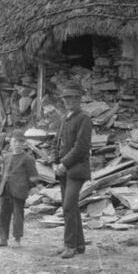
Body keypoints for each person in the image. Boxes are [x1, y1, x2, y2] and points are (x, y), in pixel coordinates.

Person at [52, 87, 92, 259]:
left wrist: (64, 164)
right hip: (62, 170)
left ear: (79, 100)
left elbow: (81, 148)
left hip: (76, 170)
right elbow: (56, 141)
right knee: (71, 208)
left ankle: (70, 245)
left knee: (68, 206)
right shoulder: (64, 119)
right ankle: (79, 245)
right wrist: (54, 162)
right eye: (66, 99)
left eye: (73, 98)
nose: (69, 101)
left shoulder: (84, 119)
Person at [0, 131, 38, 248]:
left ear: (24, 144)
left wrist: (27, 187)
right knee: (2, 214)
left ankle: (17, 239)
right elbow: (3, 172)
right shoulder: (7, 156)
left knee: (18, 215)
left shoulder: (28, 159)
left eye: (20, 142)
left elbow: (33, 177)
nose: (17, 144)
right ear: (10, 143)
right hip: (5, 189)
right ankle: (3, 239)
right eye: (15, 141)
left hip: (19, 190)